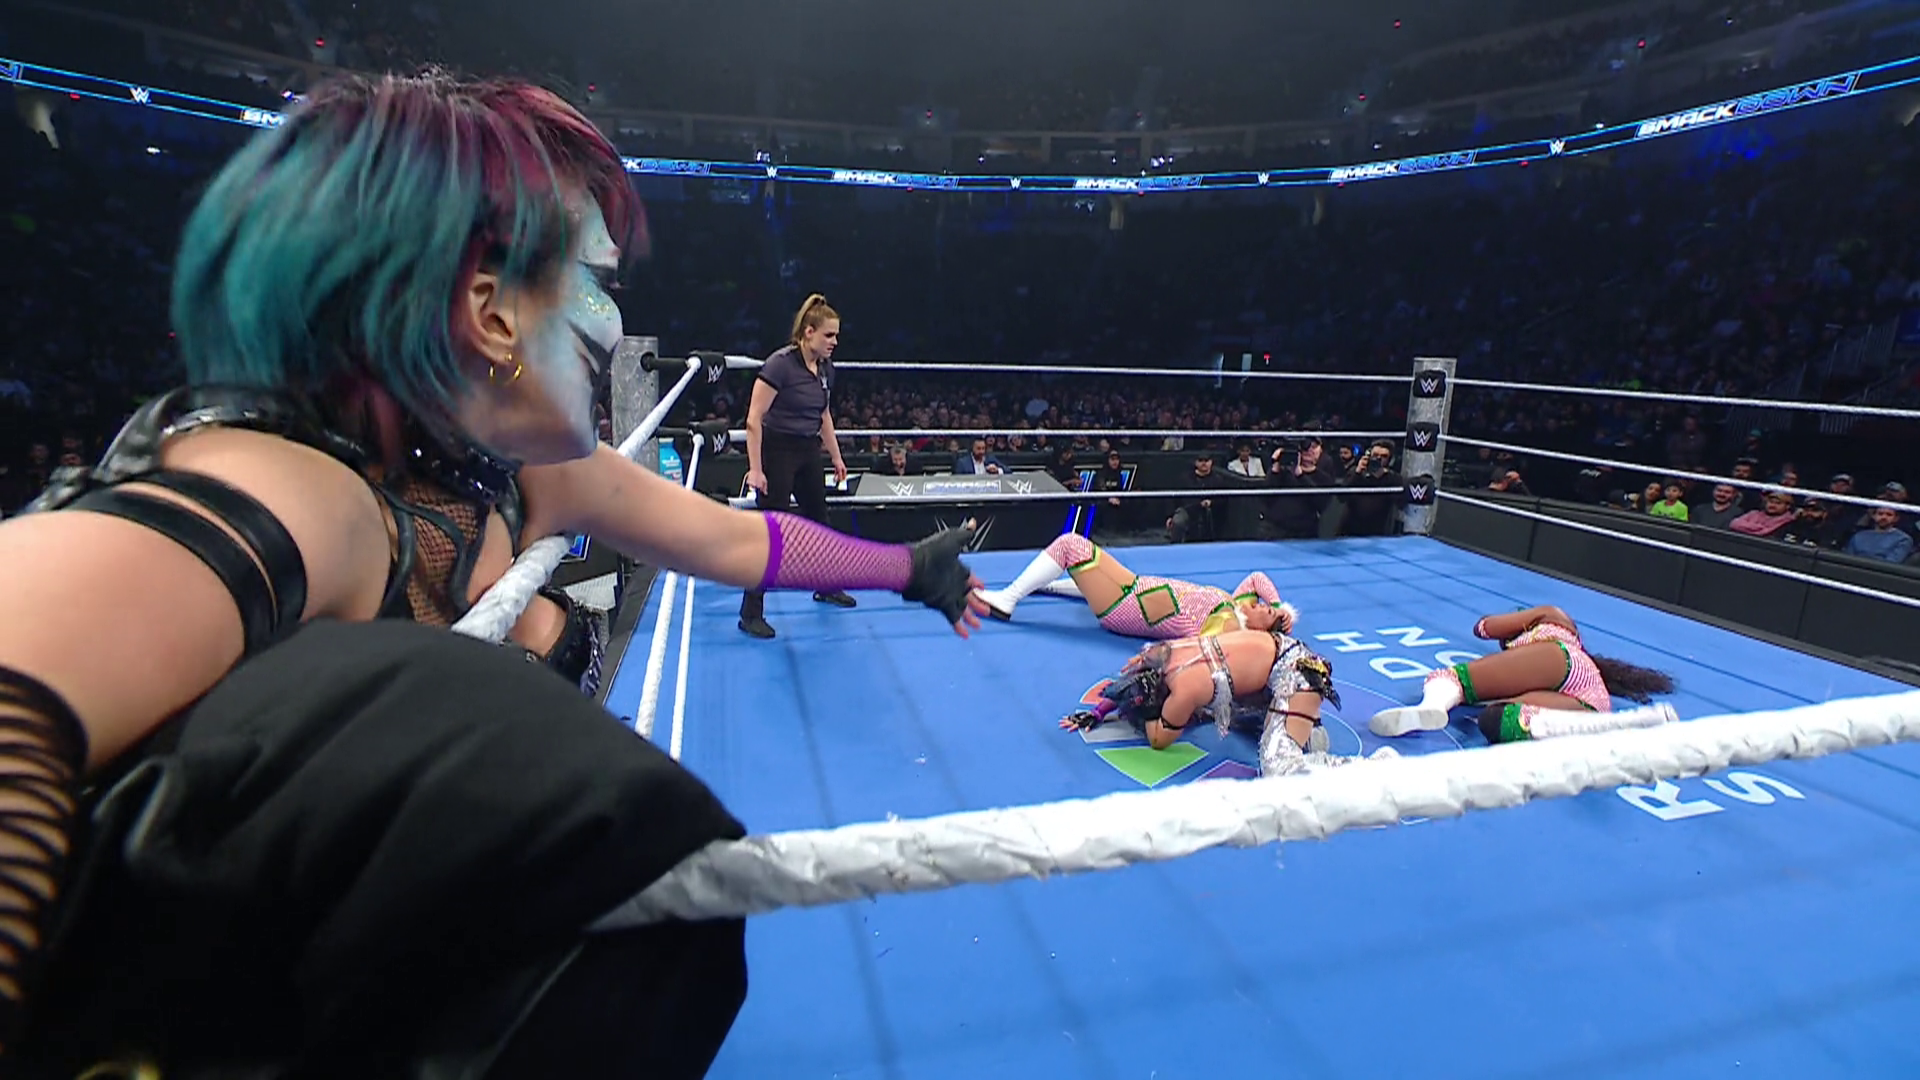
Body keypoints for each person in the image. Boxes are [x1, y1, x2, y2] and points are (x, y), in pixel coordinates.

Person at [0, 72, 986, 1077]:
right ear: (491, 312)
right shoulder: (307, 489)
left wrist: (907, 567)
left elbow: (740, 543)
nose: (611, 321)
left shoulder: (506, 471)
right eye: (597, 282)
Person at [1061, 628, 1393, 776]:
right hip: (1276, 665)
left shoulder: (1184, 690)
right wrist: (1098, 712)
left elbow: (1159, 738)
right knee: (1226, 714)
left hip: (1297, 674)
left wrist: (1142, 712)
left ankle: (1374, 766)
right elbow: (1123, 681)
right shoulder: (1159, 653)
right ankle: (1304, 728)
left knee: (1278, 769)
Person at [1367, 605, 1677, 744]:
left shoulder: (1552, 619)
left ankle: (1430, 707)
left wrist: (1513, 622)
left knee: (1450, 679)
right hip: (1593, 708)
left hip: (1559, 663)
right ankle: (1618, 727)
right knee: (1496, 720)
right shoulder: (1587, 669)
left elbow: (1484, 627)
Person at [740, 294, 856, 639]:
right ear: (809, 332)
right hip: (777, 450)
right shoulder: (780, 364)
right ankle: (750, 613)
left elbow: (824, 415)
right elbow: (754, 418)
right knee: (771, 533)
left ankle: (827, 585)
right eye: (829, 335)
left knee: (820, 521)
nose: (834, 342)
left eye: (836, 336)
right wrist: (756, 469)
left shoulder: (825, 369)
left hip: (807, 449)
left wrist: (836, 456)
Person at [975, 532, 1296, 640]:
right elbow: (1257, 578)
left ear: (1259, 630)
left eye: (1266, 612)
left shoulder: (1228, 627)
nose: (1261, 604)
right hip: (1133, 585)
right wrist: (1280, 608)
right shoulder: (1236, 605)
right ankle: (1049, 586)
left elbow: (1203, 651)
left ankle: (1008, 600)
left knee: (1071, 546)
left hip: (1124, 605)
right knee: (1087, 569)